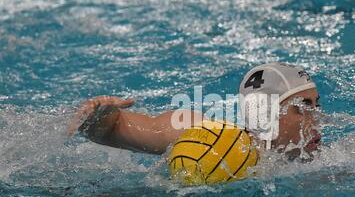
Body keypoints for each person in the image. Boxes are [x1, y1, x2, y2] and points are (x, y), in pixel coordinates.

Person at [67, 62, 321, 159]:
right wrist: (99, 114)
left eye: (317, 106)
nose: (317, 119)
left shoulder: (326, 161)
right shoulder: (201, 137)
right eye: (303, 108)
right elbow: (109, 130)